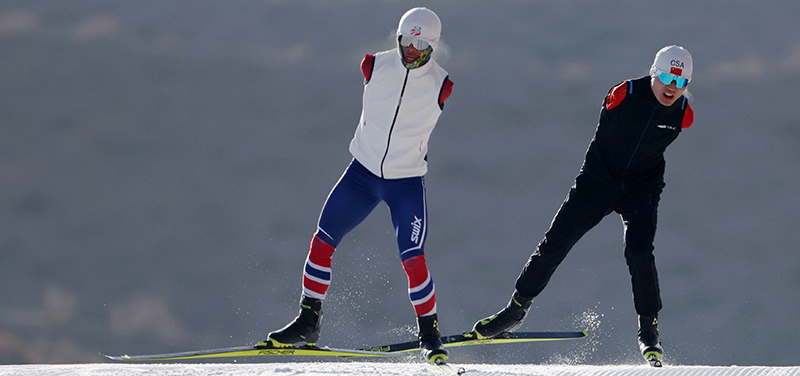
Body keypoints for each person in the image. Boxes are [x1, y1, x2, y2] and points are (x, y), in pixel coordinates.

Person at [469, 45, 694, 367]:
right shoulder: (625, 93)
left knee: (640, 252)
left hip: (641, 189)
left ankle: (649, 332)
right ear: (654, 73)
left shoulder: (683, 114)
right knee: (555, 244)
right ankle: (515, 310)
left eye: (681, 80)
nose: (672, 86)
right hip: (597, 183)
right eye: (667, 76)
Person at [261, 7, 454, 365]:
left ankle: (429, 335)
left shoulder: (441, 84)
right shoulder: (374, 66)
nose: (411, 48)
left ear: (432, 46)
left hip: (405, 183)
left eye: (420, 42)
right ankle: (308, 322)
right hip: (361, 175)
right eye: (406, 40)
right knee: (322, 242)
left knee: (413, 259)